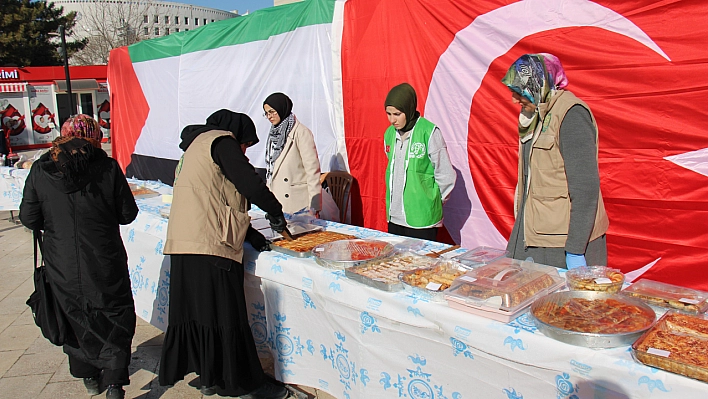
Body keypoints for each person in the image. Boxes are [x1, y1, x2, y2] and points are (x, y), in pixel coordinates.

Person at [159, 109, 288, 399]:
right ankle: (241, 383)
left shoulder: (195, 145)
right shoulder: (221, 141)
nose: (244, 150)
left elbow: (215, 196)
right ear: (236, 133)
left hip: (184, 242)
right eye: (245, 144)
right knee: (226, 314)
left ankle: (209, 375)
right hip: (209, 244)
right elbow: (248, 182)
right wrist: (274, 209)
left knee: (201, 314)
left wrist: (251, 234)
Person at [19, 115, 138, 399]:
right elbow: (127, 213)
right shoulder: (107, 167)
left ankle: (89, 377)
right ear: (94, 136)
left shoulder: (41, 168)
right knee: (114, 314)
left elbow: (29, 217)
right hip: (104, 259)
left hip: (63, 263)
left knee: (74, 314)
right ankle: (114, 383)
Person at [502, 53, 609, 269]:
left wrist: (575, 250)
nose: (514, 100)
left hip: (560, 244)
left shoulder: (571, 115)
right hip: (534, 237)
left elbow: (585, 189)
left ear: (537, 85)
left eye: (519, 92)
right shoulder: (534, 116)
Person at [383, 83, 456, 241]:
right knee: (396, 264)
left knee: (421, 264)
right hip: (394, 216)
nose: (392, 120)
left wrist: (433, 201)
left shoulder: (429, 132)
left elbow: (446, 175)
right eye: (388, 114)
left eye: (397, 114)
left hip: (422, 220)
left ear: (408, 109)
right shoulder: (389, 134)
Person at [263, 92, 322, 215]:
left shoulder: (301, 132)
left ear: (281, 108)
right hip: (277, 197)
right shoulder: (273, 134)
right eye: (267, 113)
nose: (269, 116)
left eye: (272, 111)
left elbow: (312, 170)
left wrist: (314, 206)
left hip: (297, 202)